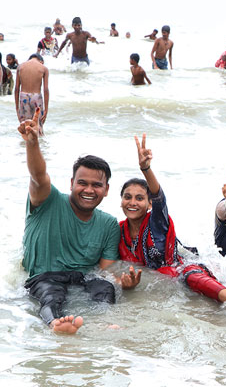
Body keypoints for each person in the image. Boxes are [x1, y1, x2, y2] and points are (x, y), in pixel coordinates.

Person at [18, 109, 141, 334]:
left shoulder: (108, 224)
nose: (89, 190)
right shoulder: (47, 200)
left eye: (97, 185)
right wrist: (32, 144)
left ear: (106, 191)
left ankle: (104, 321)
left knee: (105, 288)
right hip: (44, 276)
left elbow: (105, 271)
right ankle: (56, 323)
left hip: (82, 278)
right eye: (82, 183)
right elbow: (38, 175)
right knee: (50, 295)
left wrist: (123, 283)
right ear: (72, 183)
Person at [118, 134, 226, 324]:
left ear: (149, 204)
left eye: (139, 198)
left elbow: (159, 196)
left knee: (192, 278)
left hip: (185, 266)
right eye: (127, 197)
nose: (132, 203)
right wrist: (122, 283)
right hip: (166, 278)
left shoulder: (156, 222)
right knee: (203, 309)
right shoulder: (119, 231)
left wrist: (146, 169)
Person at [15, 53, 49, 135]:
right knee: (38, 126)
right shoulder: (43, 68)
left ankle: (25, 146)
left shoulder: (20, 67)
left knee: (25, 127)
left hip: (23, 97)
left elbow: (16, 89)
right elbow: (46, 90)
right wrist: (46, 110)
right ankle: (40, 146)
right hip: (36, 98)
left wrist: (17, 107)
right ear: (41, 61)